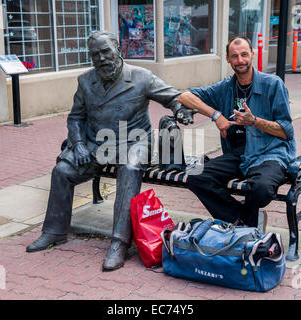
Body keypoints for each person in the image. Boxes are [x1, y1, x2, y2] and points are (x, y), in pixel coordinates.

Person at [26, 31, 195, 271]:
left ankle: (119, 242)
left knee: (129, 167)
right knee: (62, 170)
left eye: (106, 51)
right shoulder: (85, 81)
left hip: (134, 141)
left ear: (118, 50)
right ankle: (54, 231)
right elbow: (75, 118)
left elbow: (173, 97)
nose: (102, 58)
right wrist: (80, 144)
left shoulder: (141, 77)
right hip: (96, 144)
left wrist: (180, 109)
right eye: (95, 54)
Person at [178, 35, 296, 230]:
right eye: (234, 56)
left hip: (270, 152)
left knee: (261, 189)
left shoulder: (273, 84)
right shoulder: (225, 87)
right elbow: (184, 96)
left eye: (244, 55)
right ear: (228, 59)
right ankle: (243, 221)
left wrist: (254, 121)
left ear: (252, 55)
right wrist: (216, 115)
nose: (240, 60)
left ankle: (243, 223)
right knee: (196, 175)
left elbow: (286, 132)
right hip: (239, 154)